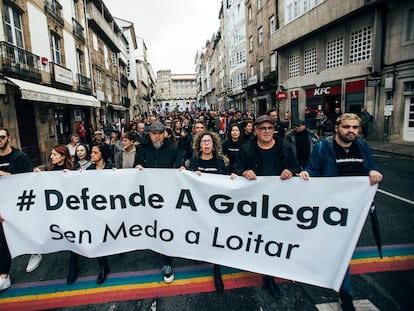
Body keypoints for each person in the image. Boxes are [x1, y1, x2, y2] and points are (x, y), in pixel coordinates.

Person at [299, 113, 383, 311]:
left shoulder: (362, 146)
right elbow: (313, 168)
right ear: (337, 128)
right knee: (340, 250)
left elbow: (370, 165)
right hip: (332, 210)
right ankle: (346, 294)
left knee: (344, 249)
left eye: (355, 127)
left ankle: (341, 287)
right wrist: (306, 174)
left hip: (355, 209)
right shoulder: (323, 147)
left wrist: (372, 171)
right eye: (347, 127)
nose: (351, 131)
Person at [231, 115, 298, 299]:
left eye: (270, 128)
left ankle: (270, 272)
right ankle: (262, 268)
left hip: (278, 201)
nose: (267, 131)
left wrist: (290, 171)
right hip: (254, 202)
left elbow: (295, 166)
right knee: (257, 234)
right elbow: (236, 168)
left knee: (274, 235)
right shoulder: (247, 148)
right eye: (262, 128)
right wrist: (244, 171)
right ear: (256, 130)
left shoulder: (284, 147)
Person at [136, 122, 183, 283]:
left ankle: (167, 261)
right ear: (149, 134)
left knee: (166, 226)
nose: (156, 135)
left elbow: (179, 166)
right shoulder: (142, 149)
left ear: (165, 134)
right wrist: (138, 167)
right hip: (149, 194)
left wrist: (182, 169)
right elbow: (138, 165)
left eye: (159, 132)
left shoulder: (174, 149)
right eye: (153, 133)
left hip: (167, 194)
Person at [186, 131, 229, 292]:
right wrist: (192, 175)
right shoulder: (195, 161)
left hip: (216, 208)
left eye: (209, 141)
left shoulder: (220, 162)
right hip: (198, 207)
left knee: (215, 237)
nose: (206, 144)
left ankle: (216, 270)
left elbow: (226, 183)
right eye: (203, 141)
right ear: (199, 144)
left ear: (214, 144)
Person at [0, 128, 39, 291]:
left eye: (1, 137)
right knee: (3, 239)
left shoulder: (20, 157)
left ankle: (35, 251)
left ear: (9, 138)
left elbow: (26, 180)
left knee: (24, 229)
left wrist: (5, 175)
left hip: (19, 202)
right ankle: (4, 275)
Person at [67, 143, 112, 285]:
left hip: (111, 210)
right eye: (91, 152)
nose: (91, 155)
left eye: (94, 152)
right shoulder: (89, 170)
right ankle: (103, 266)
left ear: (102, 155)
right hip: (95, 210)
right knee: (99, 237)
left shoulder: (112, 168)